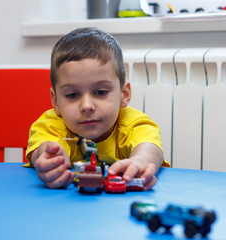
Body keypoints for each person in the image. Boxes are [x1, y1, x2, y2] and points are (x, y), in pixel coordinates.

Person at [25, 27, 170, 190]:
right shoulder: (50, 125)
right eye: (72, 95)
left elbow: (150, 148)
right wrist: (50, 159)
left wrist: (140, 162)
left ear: (124, 94)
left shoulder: (133, 124)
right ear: (56, 101)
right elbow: (43, 148)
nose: (86, 106)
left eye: (100, 92)